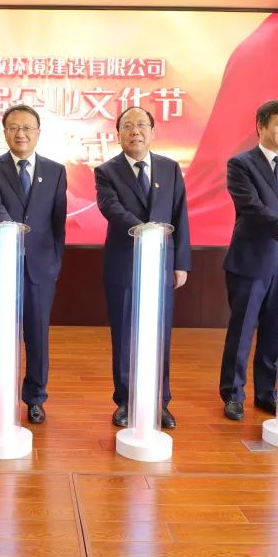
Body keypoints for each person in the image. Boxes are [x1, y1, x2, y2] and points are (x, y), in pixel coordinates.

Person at [95, 106, 191, 430]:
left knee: (159, 335)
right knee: (125, 336)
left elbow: (180, 214)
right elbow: (111, 208)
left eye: (141, 125)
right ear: (118, 134)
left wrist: (181, 263)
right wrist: (146, 230)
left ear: (152, 131)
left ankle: (160, 402)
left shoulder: (170, 168)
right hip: (124, 264)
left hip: (162, 263)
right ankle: (125, 401)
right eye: (127, 126)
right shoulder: (106, 171)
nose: (135, 131)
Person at [219, 100, 278, 421]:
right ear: (260, 126)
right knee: (243, 331)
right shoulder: (241, 163)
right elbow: (251, 207)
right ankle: (233, 394)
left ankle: (265, 392)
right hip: (251, 260)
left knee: (275, 331)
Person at [0, 104, 67, 424]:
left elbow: (58, 221)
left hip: (41, 266)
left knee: (37, 335)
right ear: (4, 133)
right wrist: (9, 229)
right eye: (14, 127)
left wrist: (55, 261)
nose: (21, 133)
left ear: (38, 132)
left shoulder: (55, 171)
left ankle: (35, 398)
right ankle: (2, 397)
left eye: (27, 127)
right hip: (3, 263)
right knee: (4, 335)